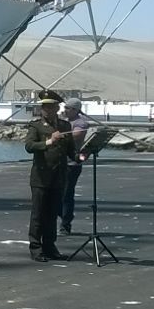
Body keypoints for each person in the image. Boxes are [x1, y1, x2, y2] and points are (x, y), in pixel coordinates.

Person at [25, 89, 73, 262]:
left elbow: (70, 150)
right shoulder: (36, 126)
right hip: (41, 177)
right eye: (44, 107)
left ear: (57, 108)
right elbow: (29, 146)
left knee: (52, 214)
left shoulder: (65, 126)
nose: (46, 110)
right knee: (38, 214)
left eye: (50, 107)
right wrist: (49, 141)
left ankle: (50, 246)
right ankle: (36, 248)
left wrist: (82, 155)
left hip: (58, 176)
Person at [57, 97, 91, 235]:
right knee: (55, 194)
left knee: (66, 194)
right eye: (64, 107)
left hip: (71, 163)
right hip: (59, 162)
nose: (65, 110)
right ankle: (65, 215)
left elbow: (75, 135)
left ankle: (66, 224)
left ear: (76, 110)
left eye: (68, 108)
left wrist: (56, 135)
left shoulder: (80, 123)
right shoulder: (63, 121)